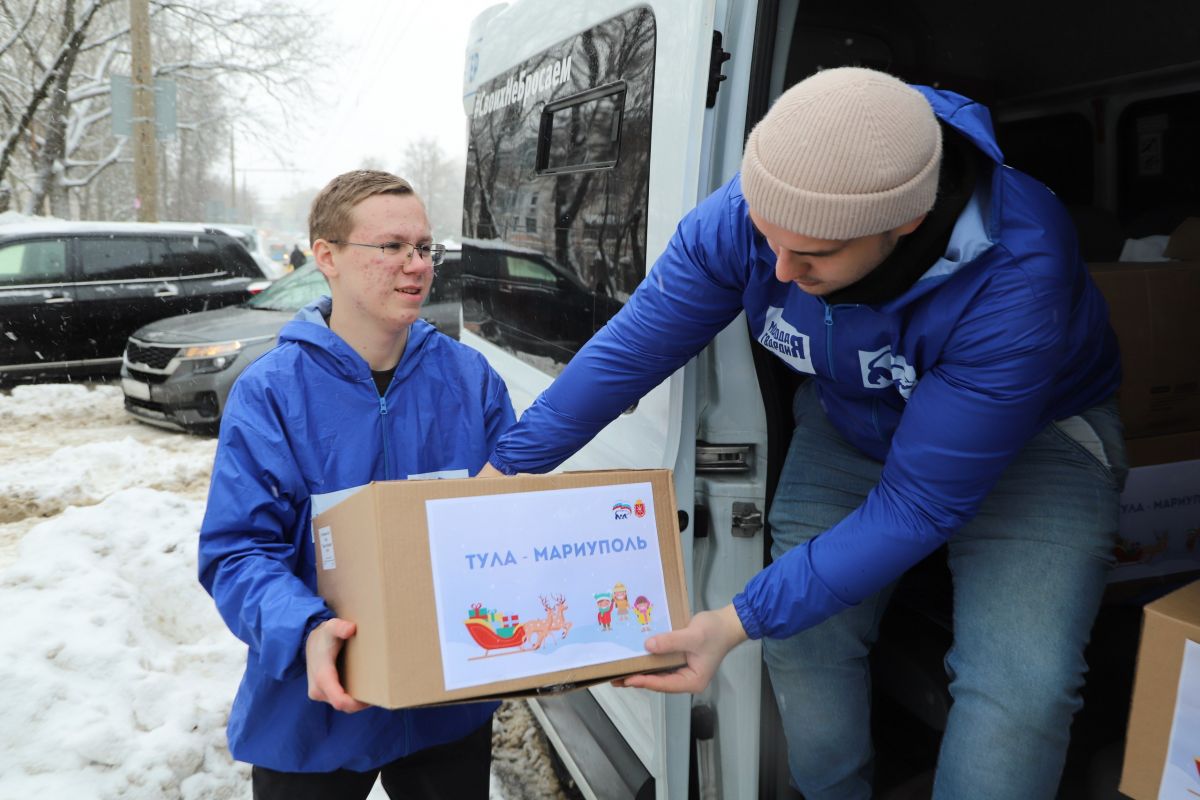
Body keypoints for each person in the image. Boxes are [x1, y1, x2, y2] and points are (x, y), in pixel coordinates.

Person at [477, 67, 1126, 799]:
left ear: (903, 223)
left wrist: (733, 619)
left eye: (812, 257)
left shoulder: (1016, 272)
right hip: (851, 418)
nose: (778, 270)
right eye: (767, 239)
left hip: (1035, 442)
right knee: (803, 639)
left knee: (1019, 689)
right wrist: (506, 472)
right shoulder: (753, 215)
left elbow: (917, 508)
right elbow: (635, 348)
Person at [199, 170, 515, 799]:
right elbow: (237, 553)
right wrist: (308, 630)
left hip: (443, 705)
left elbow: (509, 521)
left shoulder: (469, 378)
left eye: (425, 247)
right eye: (391, 247)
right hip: (312, 706)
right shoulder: (271, 393)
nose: (417, 265)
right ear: (327, 257)